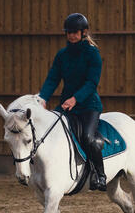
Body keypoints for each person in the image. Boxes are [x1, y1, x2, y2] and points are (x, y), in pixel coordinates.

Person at [38, 13, 107, 191]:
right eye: (69, 32)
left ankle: (100, 174)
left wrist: (76, 98)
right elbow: (53, 79)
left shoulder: (93, 54)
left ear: (84, 32)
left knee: (88, 138)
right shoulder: (62, 55)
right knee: (50, 132)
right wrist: (43, 98)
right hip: (66, 105)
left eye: (75, 32)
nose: (71, 36)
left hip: (88, 106)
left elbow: (92, 83)